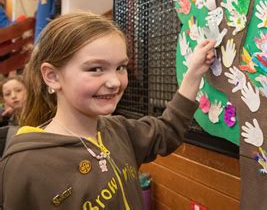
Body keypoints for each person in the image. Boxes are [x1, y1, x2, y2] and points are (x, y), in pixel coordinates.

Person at [0, 11, 215, 209]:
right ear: (53, 76)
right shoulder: (25, 164)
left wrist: (194, 72)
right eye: (95, 69)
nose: (114, 82)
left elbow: (167, 130)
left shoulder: (118, 130)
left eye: (120, 67)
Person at [0, 77, 26, 155]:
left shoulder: (44, 114)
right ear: (3, 99)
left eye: (18, 90)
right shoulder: (9, 122)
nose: (13, 96)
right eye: (7, 94)